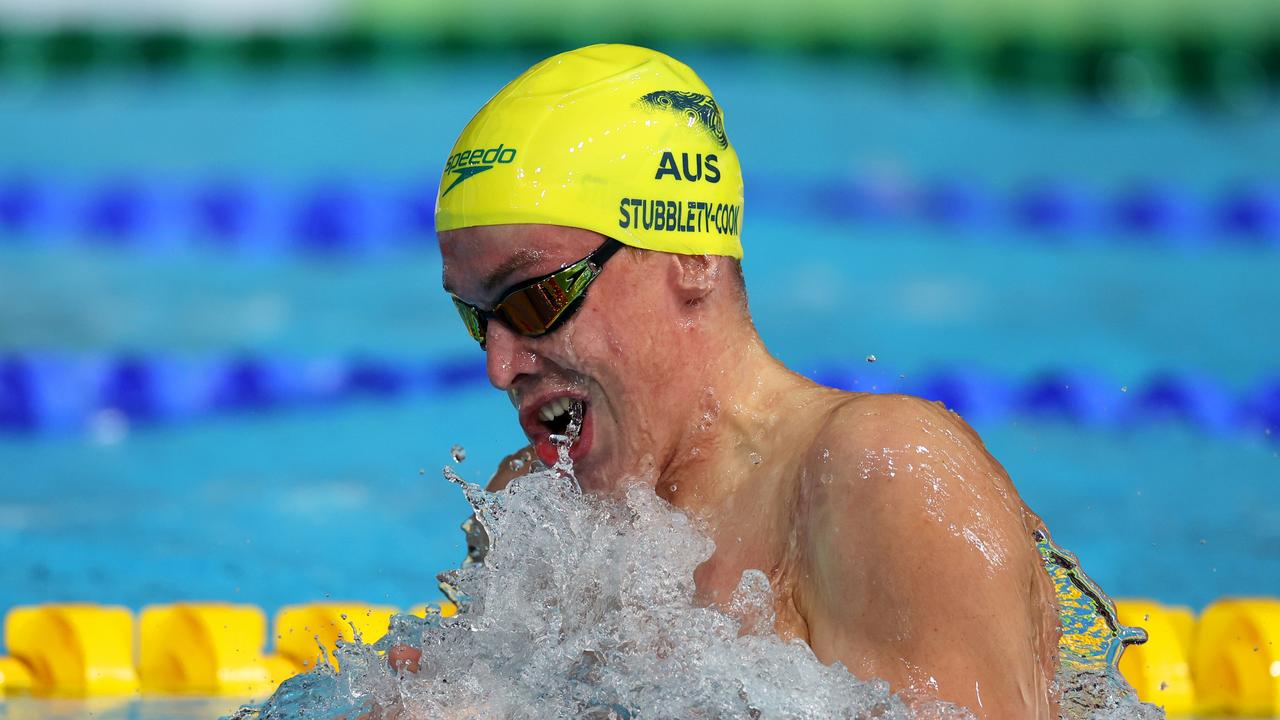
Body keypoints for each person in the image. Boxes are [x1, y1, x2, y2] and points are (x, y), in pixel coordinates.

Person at [411, 43, 1139, 719]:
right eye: (476, 318)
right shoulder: (537, 518)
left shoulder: (882, 478)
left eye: (537, 298)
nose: (500, 365)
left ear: (690, 255)